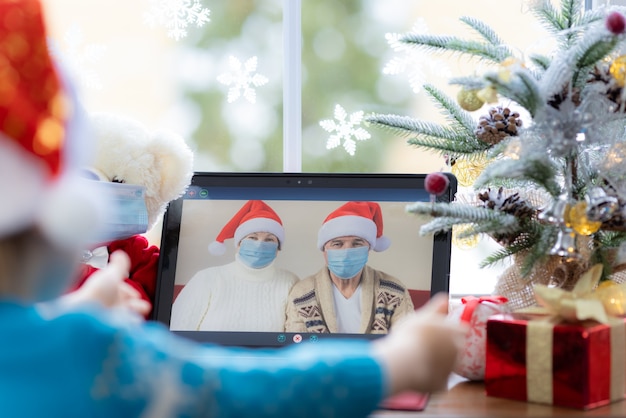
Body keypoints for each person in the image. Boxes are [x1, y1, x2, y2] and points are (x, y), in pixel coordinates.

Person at [0, 1, 467, 416]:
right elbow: (242, 389)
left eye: (355, 243)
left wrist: (74, 312)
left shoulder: (326, 286)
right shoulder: (91, 351)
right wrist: (397, 363)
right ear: (58, 219)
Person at [285, 201, 415, 333]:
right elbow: (295, 346)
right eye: (337, 244)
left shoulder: (395, 290)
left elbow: (409, 342)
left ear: (369, 248)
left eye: (357, 243)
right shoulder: (301, 293)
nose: (346, 252)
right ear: (324, 249)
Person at [170, 200, 300, 331]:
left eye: (269, 239)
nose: (260, 244)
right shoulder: (206, 278)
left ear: (278, 249)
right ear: (238, 244)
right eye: (252, 238)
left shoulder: (291, 282)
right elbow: (177, 333)